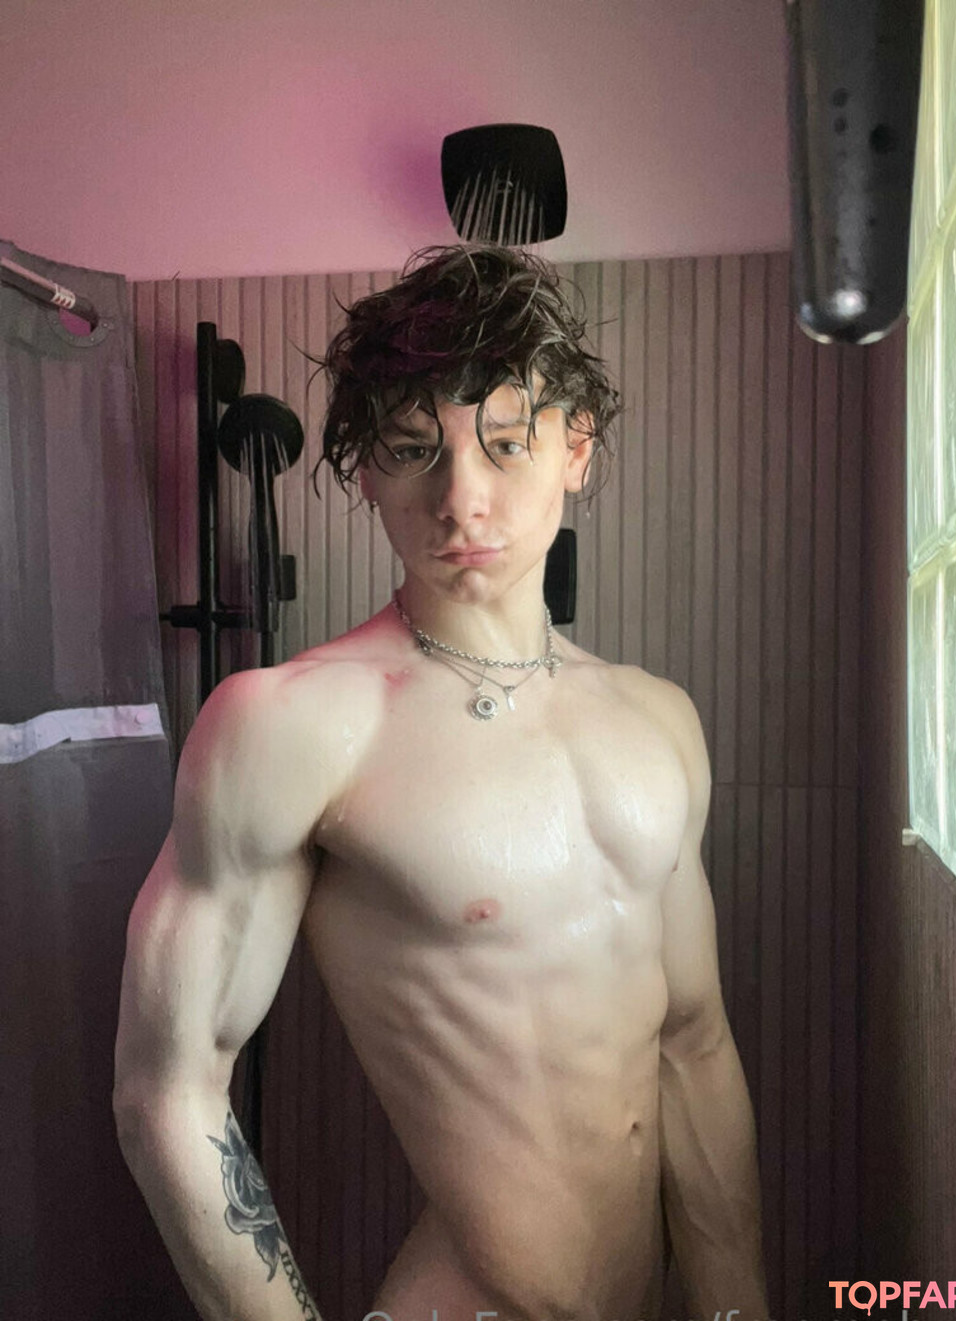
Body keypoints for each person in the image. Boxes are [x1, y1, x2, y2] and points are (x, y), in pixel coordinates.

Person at [113, 243, 769, 1321]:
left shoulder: (657, 722)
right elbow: (165, 1091)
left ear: (577, 447)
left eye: (506, 442)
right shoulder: (295, 726)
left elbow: (694, 1048)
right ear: (364, 469)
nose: (462, 498)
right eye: (414, 449)